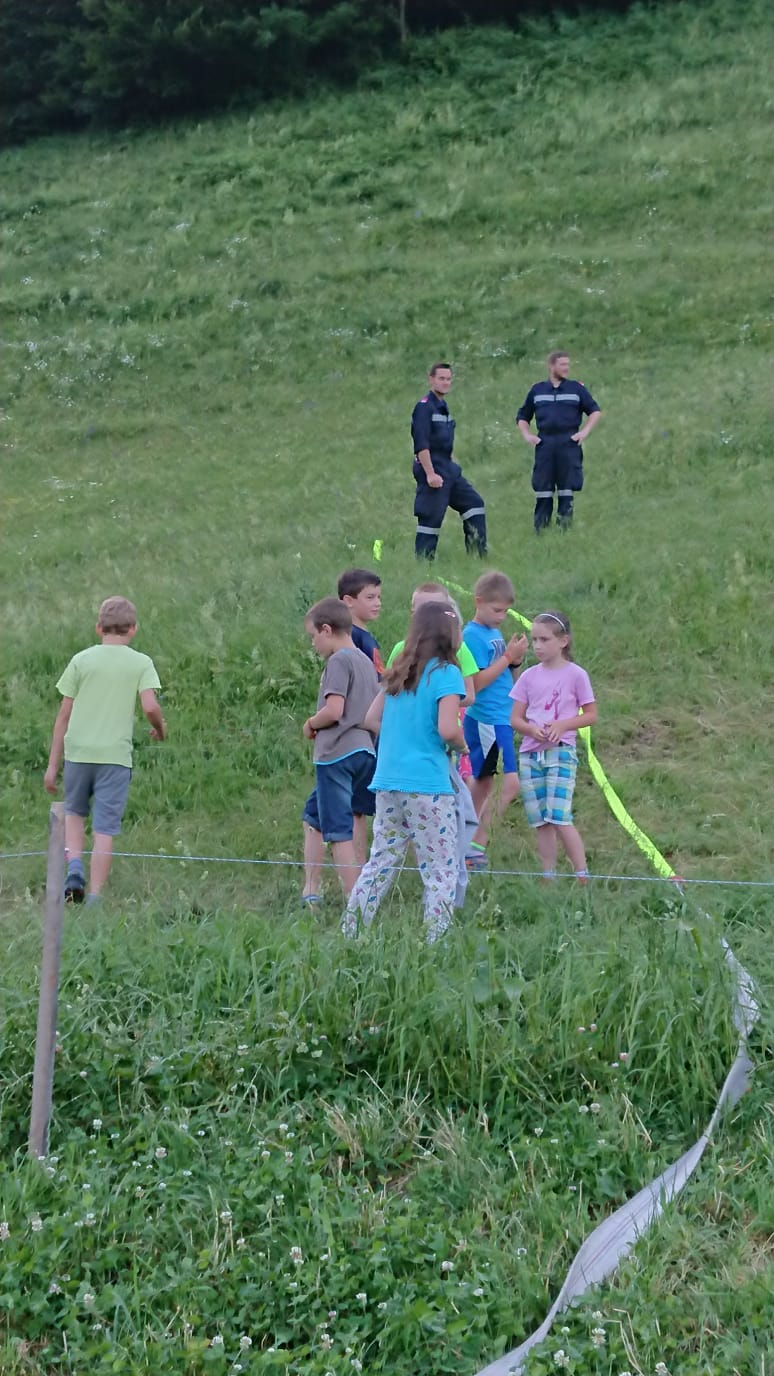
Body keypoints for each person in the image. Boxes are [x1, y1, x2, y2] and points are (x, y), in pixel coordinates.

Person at [342, 601, 467, 943]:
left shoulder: (399, 672)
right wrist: (462, 746)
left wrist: (401, 738)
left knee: (380, 862)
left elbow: (370, 719)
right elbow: (448, 729)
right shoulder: (447, 674)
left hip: (388, 781)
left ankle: (351, 932)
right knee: (440, 869)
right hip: (427, 784)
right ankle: (435, 943)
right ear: (450, 634)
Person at [43, 596, 166, 904]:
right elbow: (150, 706)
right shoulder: (141, 663)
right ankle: (95, 897)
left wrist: (52, 765)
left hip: (78, 752)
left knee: (74, 814)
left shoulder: (81, 660)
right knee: (104, 829)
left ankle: (74, 867)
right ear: (133, 629)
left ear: (98, 628)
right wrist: (160, 727)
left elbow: (63, 715)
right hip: (115, 757)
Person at [509, 610, 597, 882]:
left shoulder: (576, 675)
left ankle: (582, 873)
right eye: (535, 640)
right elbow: (515, 718)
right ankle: (548, 875)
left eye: (544, 640)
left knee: (559, 815)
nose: (537, 646)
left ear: (563, 641)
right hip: (530, 755)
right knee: (541, 820)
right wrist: (531, 729)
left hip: (560, 753)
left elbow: (591, 714)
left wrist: (563, 725)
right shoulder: (528, 676)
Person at [301, 598, 379, 905]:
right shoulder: (365, 661)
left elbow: (334, 710)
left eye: (313, 636)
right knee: (314, 815)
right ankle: (310, 890)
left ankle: (355, 904)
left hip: (336, 754)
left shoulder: (338, 661)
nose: (313, 644)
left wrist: (311, 723)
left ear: (326, 630)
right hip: (365, 752)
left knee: (338, 832)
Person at [462, 571, 528, 871]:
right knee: (509, 783)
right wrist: (506, 658)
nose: (501, 617)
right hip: (487, 718)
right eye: (497, 610)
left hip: (501, 716)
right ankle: (476, 846)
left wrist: (515, 661)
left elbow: (506, 678)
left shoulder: (494, 634)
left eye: (505, 611)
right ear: (479, 601)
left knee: (484, 781)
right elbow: (475, 683)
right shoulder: (472, 636)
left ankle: (462, 839)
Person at [516, 351, 602, 532]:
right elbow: (523, 416)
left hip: (568, 443)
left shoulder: (576, 389)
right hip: (545, 443)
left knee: (567, 488)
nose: (566, 368)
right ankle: (541, 530)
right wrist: (527, 435)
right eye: (562, 364)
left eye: (567, 364)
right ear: (552, 366)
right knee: (543, 489)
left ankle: (565, 530)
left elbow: (595, 411)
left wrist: (584, 432)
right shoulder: (537, 390)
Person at [411, 362, 487, 559]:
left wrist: (453, 464)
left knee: (474, 504)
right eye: (441, 378)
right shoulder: (424, 407)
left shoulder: (443, 407)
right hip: (433, 468)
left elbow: (444, 442)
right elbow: (421, 445)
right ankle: (424, 564)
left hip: (448, 469)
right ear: (431, 380)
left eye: (448, 379)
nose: (445, 382)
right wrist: (430, 474)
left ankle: (477, 556)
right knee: (431, 517)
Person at [337, 568, 384, 674]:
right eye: (370, 597)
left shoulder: (364, 635)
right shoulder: (350, 636)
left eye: (379, 597)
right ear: (349, 601)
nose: (378, 603)